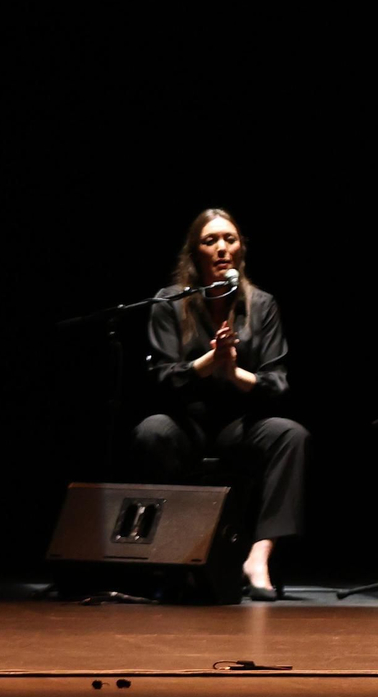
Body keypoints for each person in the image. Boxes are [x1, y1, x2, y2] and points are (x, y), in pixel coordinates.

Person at [131, 208, 308, 601]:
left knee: (290, 435)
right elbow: (160, 376)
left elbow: (278, 383)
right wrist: (207, 364)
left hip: (239, 425)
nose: (222, 248)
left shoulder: (262, 305)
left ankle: (258, 556)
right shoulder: (170, 302)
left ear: (241, 249)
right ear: (195, 253)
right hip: (186, 422)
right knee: (151, 430)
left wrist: (234, 373)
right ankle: (177, 551)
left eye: (230, 239)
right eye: (211, 241)